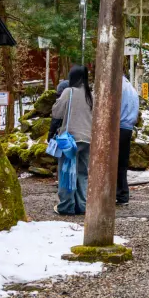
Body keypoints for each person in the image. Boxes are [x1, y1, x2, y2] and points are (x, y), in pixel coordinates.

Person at [51, 66, 93, 215]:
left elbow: (56, 112)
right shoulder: (91, 94)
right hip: (88, 139)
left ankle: (66, 206)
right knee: (82, 173)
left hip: (70, 140)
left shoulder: (69, 92)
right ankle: (82, 205)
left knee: (66, 172)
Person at [116, 72, 140, 206]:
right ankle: (123, 193)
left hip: (118, 126)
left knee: (113, 162)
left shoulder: (117, 86)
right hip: (128, 127)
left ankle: (115, 192)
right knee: (122, 163)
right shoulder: (131, 88)